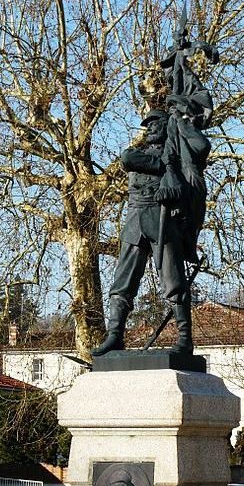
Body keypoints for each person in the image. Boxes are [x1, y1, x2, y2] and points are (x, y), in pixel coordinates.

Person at [92, 108, 203, 356]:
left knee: (173, 282)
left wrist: (171, 188)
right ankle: (114, 335)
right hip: (134, 223)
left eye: (156, 124)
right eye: (148, 125)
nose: (150, 128)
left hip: (162, 223)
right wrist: (162, 166)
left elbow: (186, 187)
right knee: (122, 284)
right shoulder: (143, 155)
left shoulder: (176, 158)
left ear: (167, 127)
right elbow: (126, 159)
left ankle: (185, 338)